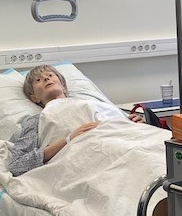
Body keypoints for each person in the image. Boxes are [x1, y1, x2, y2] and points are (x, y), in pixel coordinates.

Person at [9, 65, 143, 177]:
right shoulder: (36, 120)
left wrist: (132, 123)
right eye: (38, 80)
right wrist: (68, 139)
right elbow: (17, 165)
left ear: (64, 87)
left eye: (50, 75)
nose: (46, 78)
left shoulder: (93, 103)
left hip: (126, 142)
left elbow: (124, 127)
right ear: (34, 98)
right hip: (90, 155)